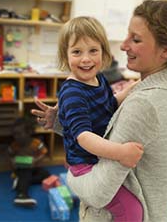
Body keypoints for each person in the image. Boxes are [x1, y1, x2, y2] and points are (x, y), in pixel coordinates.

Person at [32, 0, 167, 221]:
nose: (123, 45)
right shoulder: (164, 87)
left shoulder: (144, 103)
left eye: (135, 39)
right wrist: (63, 122)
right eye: (77, 51)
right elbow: (103, 123)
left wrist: (70, 175)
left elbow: (98, 192)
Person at [51, 16, 145, 221]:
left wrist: (133, 88)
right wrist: (121, 152)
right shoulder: (73, 92)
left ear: (103, 52)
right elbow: (83, 137)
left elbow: (109, 104)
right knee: (132, 211)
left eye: (93, 50)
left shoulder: (98, 78)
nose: (86, 59)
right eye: (77, 52)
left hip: (98, 155)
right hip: (85, 165)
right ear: (65, 56)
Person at [8, 118, 50, 208]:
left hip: (33, 167)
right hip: (21, 169)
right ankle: (21, 195)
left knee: (46, 175)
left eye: (19, 134)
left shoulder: (36, 143)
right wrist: (13, 162)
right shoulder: (14, 145)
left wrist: (36, 160)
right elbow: (10, 155)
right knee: (25, 174)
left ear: (29, 132)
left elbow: (44, 152)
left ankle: (20, 182)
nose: (16, 137)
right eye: (14, 134)